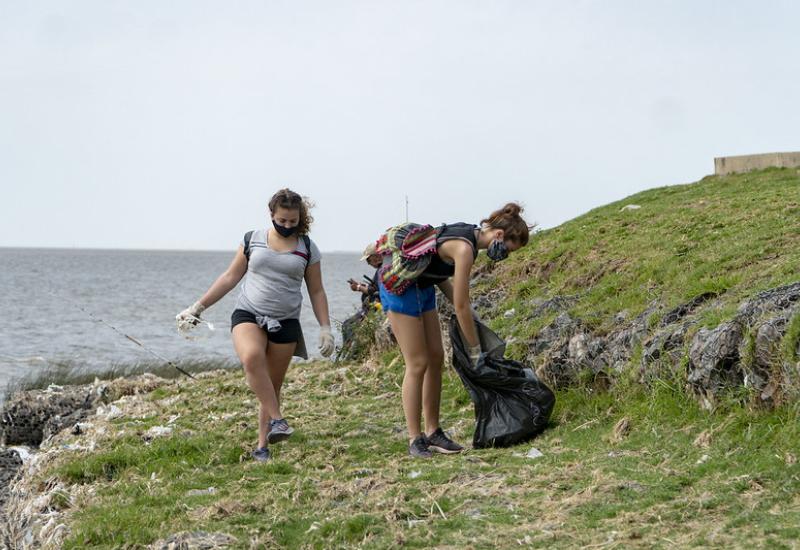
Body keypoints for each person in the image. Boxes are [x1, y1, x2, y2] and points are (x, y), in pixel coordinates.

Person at [176, 188, 335, 462]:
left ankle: (262, 446)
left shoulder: (307, 248)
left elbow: (317, 291)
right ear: (271, 214)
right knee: (251, 358)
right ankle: (278, 420)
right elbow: (230, 277)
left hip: (286, 322)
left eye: (292, 221)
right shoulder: (253, 240)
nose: (287, 226)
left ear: (300, 218)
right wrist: (197, 308)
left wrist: (325, 328)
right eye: (282, 220)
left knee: (272, 386)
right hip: (248, 313)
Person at [376, 203, 531, 458]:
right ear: (499, 235)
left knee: (436, 358)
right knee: (417, 363)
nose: (505, 255)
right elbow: (460, 305)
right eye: (508, 249)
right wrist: (474, 350)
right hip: (400, 289)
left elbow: (442, 279)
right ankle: (415, 438)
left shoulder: (470, 237)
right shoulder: (465, 248)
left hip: (423, 287)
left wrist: (474, 320)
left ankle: (433, 432)